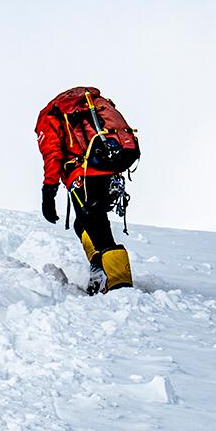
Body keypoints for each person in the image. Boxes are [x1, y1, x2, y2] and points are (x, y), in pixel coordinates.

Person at [36, 85, 134, 293]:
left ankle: (119, 284)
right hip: (109, 171)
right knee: (83, 224)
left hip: (84, 175)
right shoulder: (91, 107)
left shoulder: (48, 117)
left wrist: (49, 192)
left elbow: (52, 155)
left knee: (97, 228)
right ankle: (99, 267)